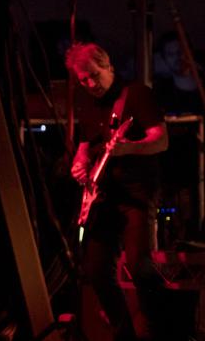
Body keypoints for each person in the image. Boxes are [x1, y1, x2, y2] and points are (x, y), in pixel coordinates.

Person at [66, 42, 169, 340]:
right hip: (105, 199)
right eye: (83, 79)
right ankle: (124, 334)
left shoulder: (136, 95)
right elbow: (84, 148)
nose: (90, 84)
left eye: (94, 75)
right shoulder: (88, 104)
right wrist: (80, 165)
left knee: (140, 266)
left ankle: (159, 331)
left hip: (137, 195)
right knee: (95, 271)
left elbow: (161, 140)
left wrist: (128, 149)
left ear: (108, 66)